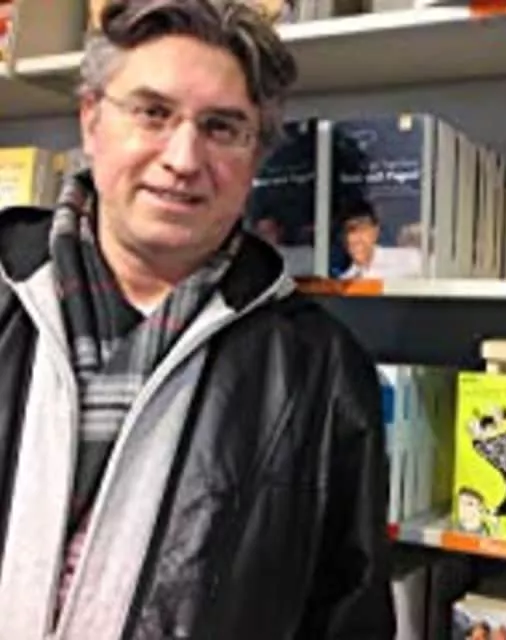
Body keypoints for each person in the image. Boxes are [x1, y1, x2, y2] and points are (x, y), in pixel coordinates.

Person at [0, 1, 395, 638]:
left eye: (221, 128)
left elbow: (347, 616)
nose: (183, 158)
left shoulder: (322, 374)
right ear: (92, 119)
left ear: (256, 157)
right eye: (153, 113)